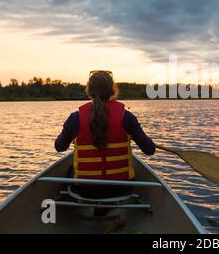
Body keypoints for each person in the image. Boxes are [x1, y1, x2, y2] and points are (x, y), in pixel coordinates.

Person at [54, 70, 155, 199]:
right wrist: (148, 141)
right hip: (121, 190)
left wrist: (71, 135)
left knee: (70, 167)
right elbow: (149, 150)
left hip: (83, 190)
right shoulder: (127, 117)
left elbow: (59, 147)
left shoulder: (75, 118)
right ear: (112, 90)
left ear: (89, 90)